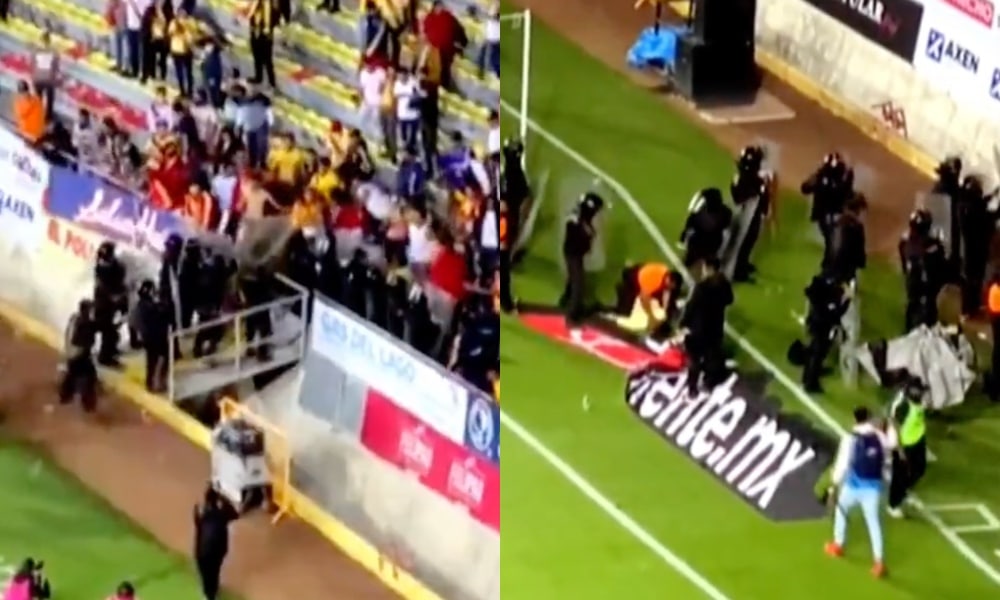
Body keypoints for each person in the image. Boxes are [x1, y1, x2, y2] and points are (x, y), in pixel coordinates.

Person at [824, 406, 890, 579]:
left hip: (853, 486)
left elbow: (842, 464)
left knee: (841, 509)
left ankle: (838, 545)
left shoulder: (850, 438)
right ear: (869, 418)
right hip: (873, 488)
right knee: (873, 523)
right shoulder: (880, 436)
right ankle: (879, 562)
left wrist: (833, 486)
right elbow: (890, 450)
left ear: (855, 419)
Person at [680, 256, 732, 397]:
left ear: (708, 268)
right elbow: (729, 300)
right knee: (712, 356)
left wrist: (683, 324)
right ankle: (708, 384)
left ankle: (692, 389)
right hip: (715, 327)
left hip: (698, 329)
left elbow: (691, 308)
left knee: (694, 360)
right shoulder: (723, 284)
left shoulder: (701, 287)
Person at [727, 145, 774, 281]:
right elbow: (739, 198)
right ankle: (738, 271)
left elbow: (764, 197)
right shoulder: (741, 180)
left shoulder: (753, 180)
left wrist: (763, 208)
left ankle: (743, 263)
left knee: (750, 240)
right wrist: (759, 191)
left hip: (753, 216)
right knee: (742, 242)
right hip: (744, 217)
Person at [798, 272, 850, 393]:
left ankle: (808, 377)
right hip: (821, 328)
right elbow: (836, 314)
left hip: (817, 325)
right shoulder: (825, 300)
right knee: (817, 354)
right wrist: (847, 300)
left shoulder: (820, 292)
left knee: (815, 352)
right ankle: (810, 383)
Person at [560, 192, 603, 334]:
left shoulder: (581, 217)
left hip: (575, 252)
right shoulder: (577, 219)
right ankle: (572, 317)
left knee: (574, 279)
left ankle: (565, 301)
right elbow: (578, 233)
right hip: (573, 253)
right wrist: (588, 235)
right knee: (578, 283)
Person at [898, 209, 946, 331]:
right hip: (926, 284)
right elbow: (940, 263)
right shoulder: (931, 246)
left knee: (912, 306)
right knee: (927, 310)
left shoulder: (905, 241)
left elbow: (904, 260)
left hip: (912, 281)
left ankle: (909, 330)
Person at [887, 377, 928, 518]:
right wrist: (899, 449)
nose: (922, 393)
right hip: (904, 443)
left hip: (917, 440)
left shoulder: (918, 401)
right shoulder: (903, 405)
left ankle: (904, 492)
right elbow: (895, 425)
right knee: (900, 475)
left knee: (919, 469)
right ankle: (893, 504)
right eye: (919, 390)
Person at [193, 486, 241, 600]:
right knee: (213, 574)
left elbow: (198, 524)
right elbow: (235, 514)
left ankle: (209, 594)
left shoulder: (203, 512)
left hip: (203, 551)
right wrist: (224, 499)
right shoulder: (221, 513)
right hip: (215, 551)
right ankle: (211, 594)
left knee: (207, 576)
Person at [956, 175, 992, 316]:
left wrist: (988, 198)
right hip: (976, 250)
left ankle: (970, 307)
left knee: (970, 279)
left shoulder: (963, 206)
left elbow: (979, 206)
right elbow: (987, 218)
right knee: (974, 280)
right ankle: (970, 308)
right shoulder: (974, 210)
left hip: (969, 249)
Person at [801, 152, 854, 246]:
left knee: (832, 236)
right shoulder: (821, 175)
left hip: (835, 211)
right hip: (825, 211)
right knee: (829, 236)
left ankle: (835, 245)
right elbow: (805, 188)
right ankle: (832, 246)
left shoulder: (841, 176)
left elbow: (845, 192)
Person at [93, 241, 128, 367]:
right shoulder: (104, 268)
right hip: (105, 304)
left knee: (113, 329)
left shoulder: (107, 265)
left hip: (109, 302)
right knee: (108, 331)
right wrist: (115, 297)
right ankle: (105, 357)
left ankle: (111, 350)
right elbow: (107, 288)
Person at [615, 261, 680, 328]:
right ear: (669, 280)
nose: (670, 288)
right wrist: (651, 316)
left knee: (661, 298)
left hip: (643, 271)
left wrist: (665, 308)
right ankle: (622, 290)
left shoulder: (666, 274)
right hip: (634, 278)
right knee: (624, 311)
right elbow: (644, 298)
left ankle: (672, 313)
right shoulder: (654, 281)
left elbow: (667, 291)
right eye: (671, 286)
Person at [679, 187, 732, 269]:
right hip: (714, 244)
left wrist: (684, 235)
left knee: (690, 258)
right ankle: (710, 261)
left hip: (699, 244)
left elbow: (691, 224)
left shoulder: (702, 214)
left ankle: (690, 261)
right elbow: (725, 226)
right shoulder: (726, 212)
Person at [61, 299, 99, 412]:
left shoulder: (75, 318)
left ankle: (65, 395)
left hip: (71, 352)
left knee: (72, 374)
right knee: (89, 375)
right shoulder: (86, 323)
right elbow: (86, 341)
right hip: (79, 354)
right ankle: (88, 403)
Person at [822, 194, 867, 285]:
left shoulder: (837, 222)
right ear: (858, 210)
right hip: (845, 265)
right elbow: (858, 247)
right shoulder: (856, 226)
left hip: (834, 264)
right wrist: (861, 261)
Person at [247, 0, 277, 88]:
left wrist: (267, 29)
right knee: (256, 56)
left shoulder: (268, 3)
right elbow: (250, 13)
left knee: (267, 59)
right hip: (255, 31)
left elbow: (270, 17)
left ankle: (271, 82)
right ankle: (258, 77)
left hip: (264, 32)